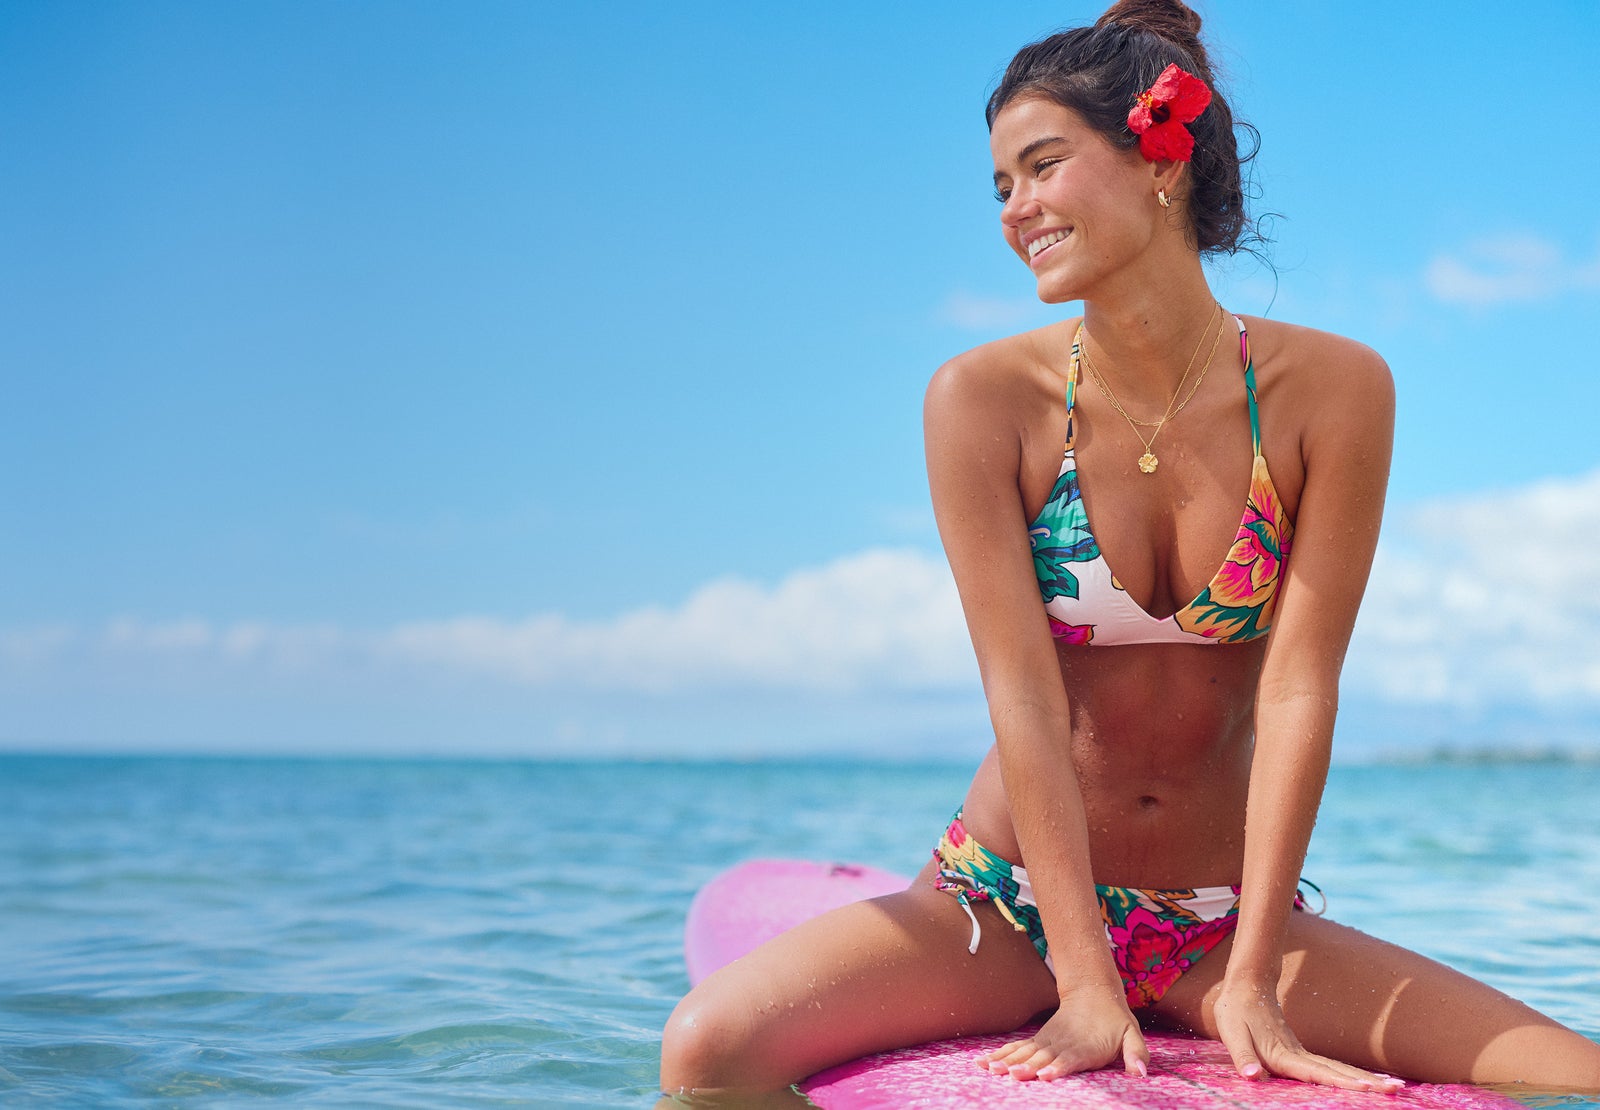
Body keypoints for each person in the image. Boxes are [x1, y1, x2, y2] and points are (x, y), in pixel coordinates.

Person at [657, 1, 1600, 1100]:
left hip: (1220, 918)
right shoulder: (982, 402)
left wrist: (1254, 973)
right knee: (706, 1047)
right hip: (1003, 905)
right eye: (1001, 186)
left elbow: (1300, 688)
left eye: (1042, 166)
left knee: (1575, 1073)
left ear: (1160, 159)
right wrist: (1085, 977)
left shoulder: (1334, 393)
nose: (1017, 210)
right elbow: (1024, 696)